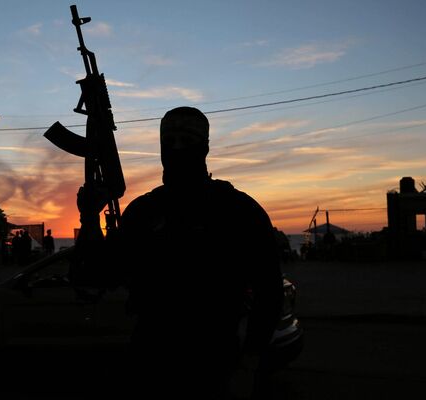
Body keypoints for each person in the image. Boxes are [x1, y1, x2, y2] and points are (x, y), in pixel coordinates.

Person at [77, 106, 283, 399]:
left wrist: (249, 363)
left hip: (214, 361)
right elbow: (98, 275)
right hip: (151, 359)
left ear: (206, 147)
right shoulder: (145, 210)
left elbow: (269, 292)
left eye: (187, 140)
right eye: (168, 140)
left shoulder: (238, 210)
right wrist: (89, 220)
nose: (176, 148)